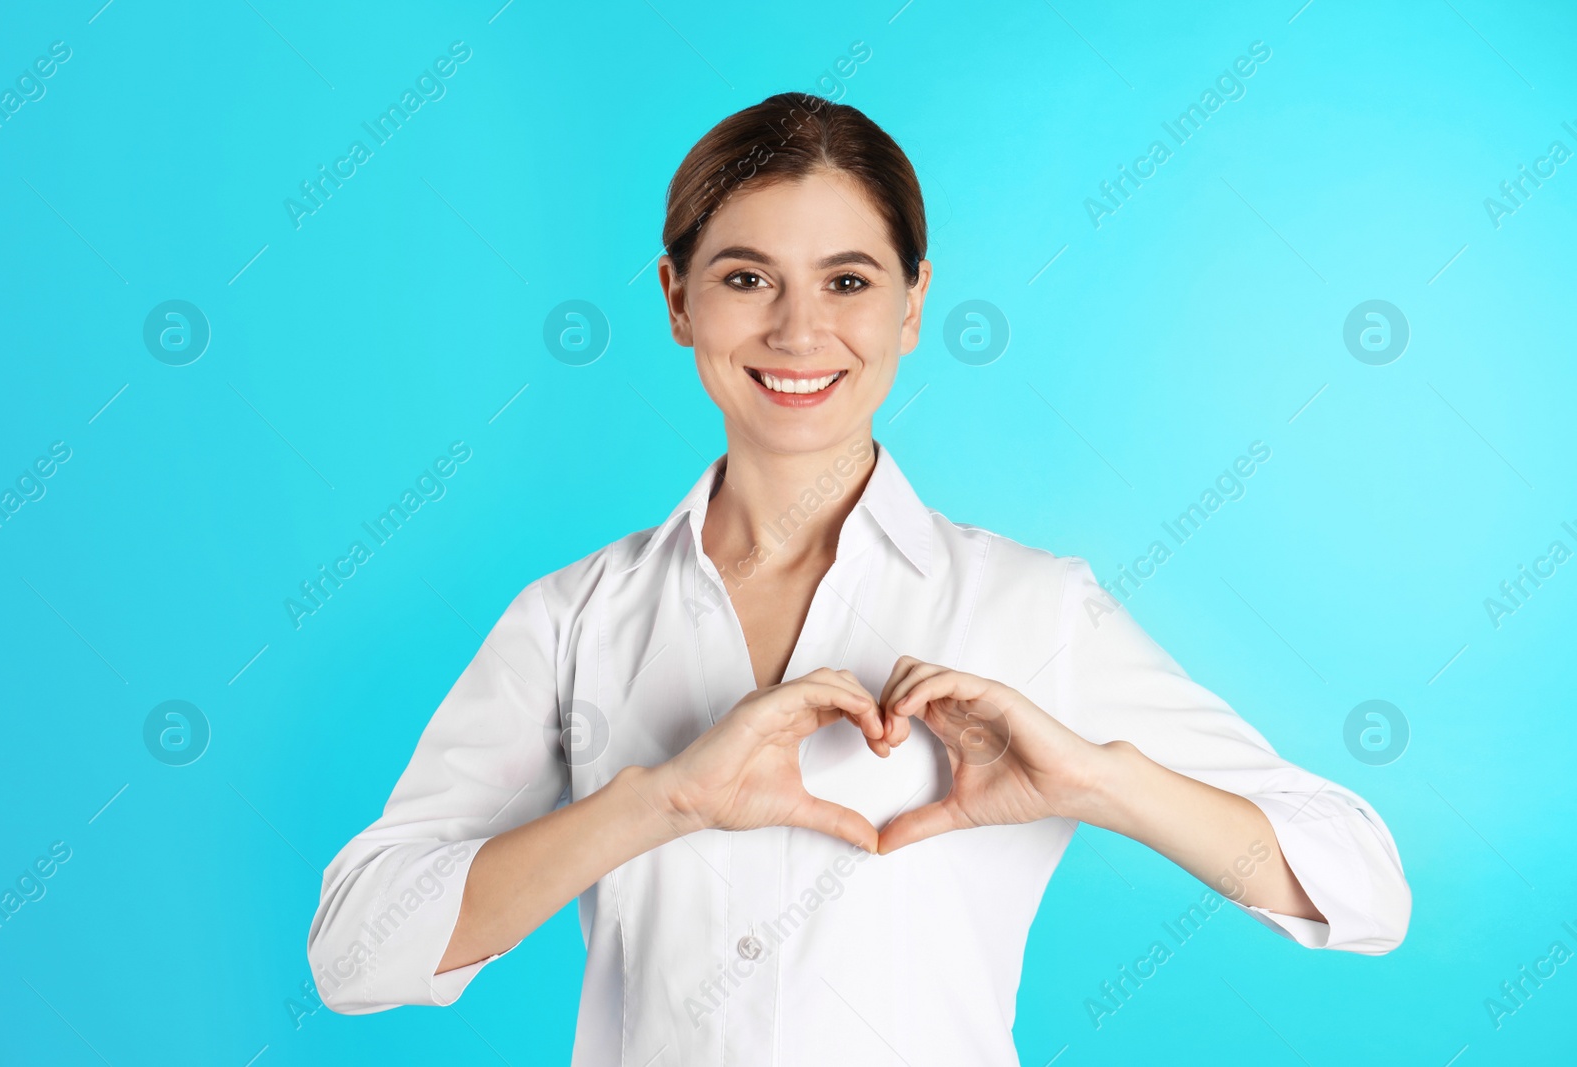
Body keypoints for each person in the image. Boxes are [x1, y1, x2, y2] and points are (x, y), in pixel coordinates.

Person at [306, 91, 1410, 1065]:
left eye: (847, 279)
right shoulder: (568, 621)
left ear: (912, 304)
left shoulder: (1032, 606)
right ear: (677, 297)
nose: (799, 330)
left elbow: (1363, 886)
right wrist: (660, 799)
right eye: (747, 278)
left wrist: (1101, 782)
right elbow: (358, 950)